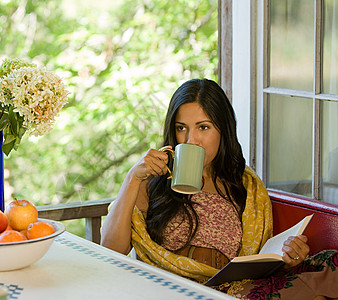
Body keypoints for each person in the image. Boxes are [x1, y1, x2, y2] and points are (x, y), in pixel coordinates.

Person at [101, 79, 338, 299]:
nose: (190, 140)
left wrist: (286, 259)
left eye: (203, 128)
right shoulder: (152, 180)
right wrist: (133, 178)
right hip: (174, 291)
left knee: (330, 262)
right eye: (181, 128)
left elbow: (257, 261)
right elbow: (111, 250)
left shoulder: (244, 185)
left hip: (234, 289)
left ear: (223, 130)